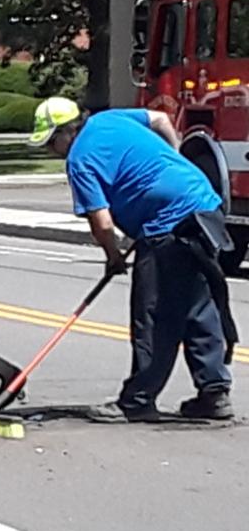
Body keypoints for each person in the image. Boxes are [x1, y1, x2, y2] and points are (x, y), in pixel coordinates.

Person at [30, 97, 237, 422]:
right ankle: (214, 393)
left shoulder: (80, 160)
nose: (50, 150)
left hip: (167, 226)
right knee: (197, 305)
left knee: (153, 315)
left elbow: (102, 223)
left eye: (50, 143)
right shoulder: (108, 120)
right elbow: (160, 120)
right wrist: (175, 158)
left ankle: (138, 400)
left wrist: (113, 257)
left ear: (65, 133)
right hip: (203, 207)